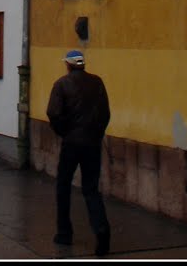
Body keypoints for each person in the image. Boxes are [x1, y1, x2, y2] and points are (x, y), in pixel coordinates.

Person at [47, 50, 111, 257]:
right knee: (91, 189)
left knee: (63, 186)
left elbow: (53, 113)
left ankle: (64, 232)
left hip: (71, 144)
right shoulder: (98, 82)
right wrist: (97, 133)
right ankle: (101, 229)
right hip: (92, 143)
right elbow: (105, 113)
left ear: (68, 65)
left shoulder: (62, 84)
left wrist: (64, 131)